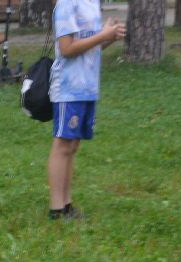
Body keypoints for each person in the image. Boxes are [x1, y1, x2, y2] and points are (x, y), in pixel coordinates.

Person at [46, 0, 123, 217]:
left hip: (88, 87)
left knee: (73, 146)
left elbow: (89, 45)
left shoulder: (91, 2)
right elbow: (67, 48)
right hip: (69, 87)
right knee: (63, 144)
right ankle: (56, 208)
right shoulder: (66, 4)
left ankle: (66, 204)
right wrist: (102, 35)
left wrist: (109, 37)